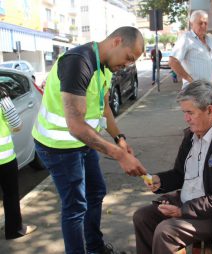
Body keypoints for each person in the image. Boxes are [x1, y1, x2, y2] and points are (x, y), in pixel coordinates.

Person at [32, 26, 147, 254]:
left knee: (96, 192)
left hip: (81, 144)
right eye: (128, 58)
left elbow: (104, 109)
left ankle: (95, 248)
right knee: (75, 207)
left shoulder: (103, 66)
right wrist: (119, 155)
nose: (127, 65)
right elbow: (75, 126)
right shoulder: (78, 62)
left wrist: (119, 138)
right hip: (58, 147)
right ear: (116, 41)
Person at [133, 80, 212, 254]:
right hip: (190, 204)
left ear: (210, 110)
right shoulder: (192, 135)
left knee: (166, 232)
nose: (186, 118)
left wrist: (182, 211)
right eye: (184, 112)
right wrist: (160, 181)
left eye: (190, 112)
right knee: (142, 217)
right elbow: (179, 174)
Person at [0, 86, 37, 240]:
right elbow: (16, 124)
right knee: (10, 194)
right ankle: (14, 229)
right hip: (4, 158)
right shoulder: (2, 97)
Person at [169, 10, 212, 106]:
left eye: (205, 23)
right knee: (200, 120)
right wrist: (192, 82)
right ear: (191, 24)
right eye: (200, 23)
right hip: (195, 93)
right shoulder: (186, 38)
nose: (203, 26)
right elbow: (173, 61)